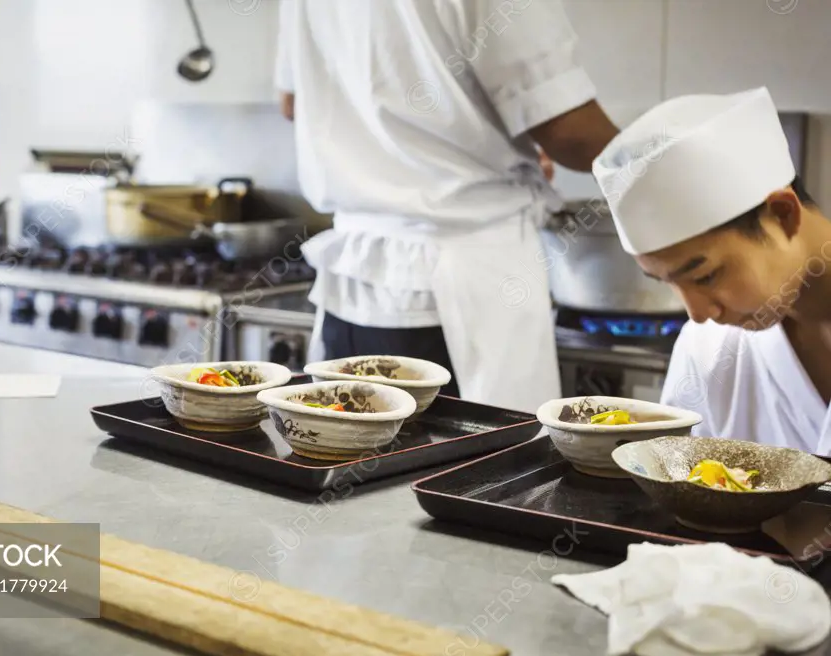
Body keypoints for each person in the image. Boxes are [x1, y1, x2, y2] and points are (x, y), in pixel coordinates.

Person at [274, 0, 620, 413]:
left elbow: (292, 102)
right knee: (474, 473)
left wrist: (459, 153)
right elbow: (571, 132)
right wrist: (654, 166)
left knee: (358, 463)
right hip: (460, 295)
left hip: (352, 286)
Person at [592, 86, 831, 454]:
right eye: (669, 283)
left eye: (706, 276)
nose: (698, 313)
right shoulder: (707, 351)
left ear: (783, 215)